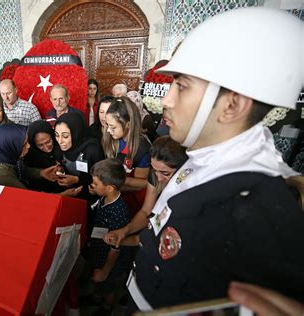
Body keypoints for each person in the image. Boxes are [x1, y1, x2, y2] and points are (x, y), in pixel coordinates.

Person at [116, 7, 304, 311]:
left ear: (231, 106)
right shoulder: (204, 158)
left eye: (182, 86)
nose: (166, 100)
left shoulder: (258, 209)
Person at [104, 136, 187, 247]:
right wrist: (124, 231)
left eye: (165, 173)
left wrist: (135, 239)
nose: (159, 178)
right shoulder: (155, 176)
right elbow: (146, 211)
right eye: (154, 169)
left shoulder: (189, 190)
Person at [88, 158, 132, 313]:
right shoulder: (106, 196)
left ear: (110, 188)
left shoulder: (118, 212)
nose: (92, 186)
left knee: (107, 285)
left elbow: (115, 247)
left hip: (110, 260)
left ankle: (106, 307)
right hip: (100, 248)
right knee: (99, 282)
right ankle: (97, 297)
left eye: (95, 184)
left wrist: (105, 270)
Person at [103, 97, 151, 211]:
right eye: (107, 125)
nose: (108, 131)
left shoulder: (142, 148)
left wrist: (115, 184)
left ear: (128, 124)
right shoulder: (112, 137)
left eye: (113, 127)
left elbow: (142, 184)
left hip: (133, 201)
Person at [54, 112, 104, 202]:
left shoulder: (93, 149)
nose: (60, 141)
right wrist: (60, 170)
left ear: (76, 133)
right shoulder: (58, 147)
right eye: (57, 135)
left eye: (65, 136)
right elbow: (61, 163)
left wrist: (77, 180)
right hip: (68, 191)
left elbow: (101, 177)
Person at [24, 120, 64, 193]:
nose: (46, 147)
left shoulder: (61, 145)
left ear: (53, 136)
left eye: (48, 142)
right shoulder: (28, 154)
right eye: (40, 145)